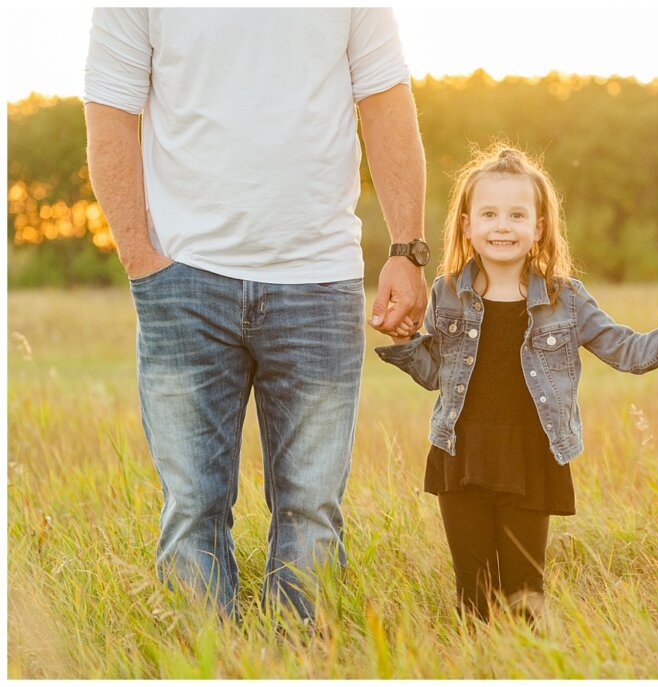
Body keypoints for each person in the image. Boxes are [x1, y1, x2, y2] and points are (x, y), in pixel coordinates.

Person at [83, 8, 429, 621]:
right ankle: (203, 654)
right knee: (192, 505)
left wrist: (406, 250)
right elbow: (110, 110)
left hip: (319, 281)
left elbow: (385, 101)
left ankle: (304, 658)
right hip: (183, 282)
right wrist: (139, 257)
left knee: (312, 506)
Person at [375, 145, 658, 622]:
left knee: (525, 593)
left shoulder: (565, 299)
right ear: (467, 225)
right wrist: (406, 341)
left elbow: (625, 349)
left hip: (531, 457)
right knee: (473, 595)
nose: (502, 226)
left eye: (516, 215)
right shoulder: (446, 293)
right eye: (488, 214)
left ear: (538, 227)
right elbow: (434, 374)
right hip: (460, 454)